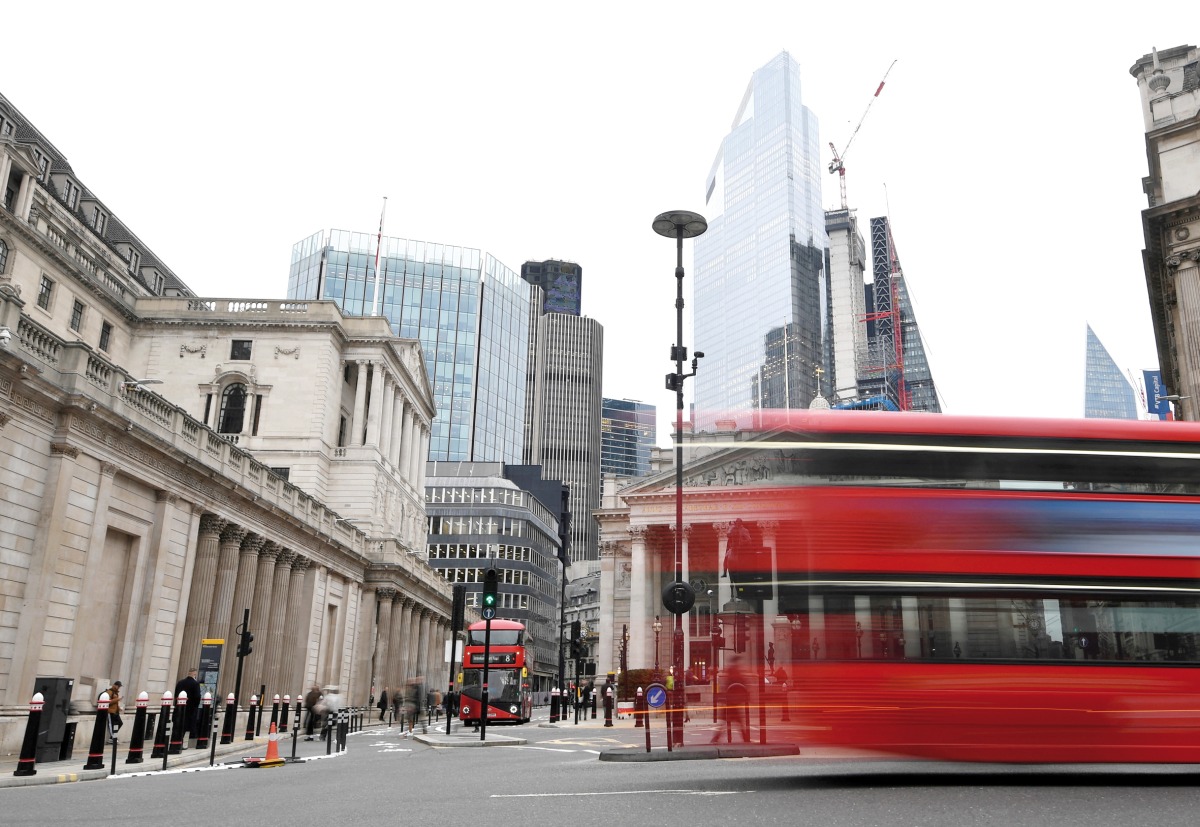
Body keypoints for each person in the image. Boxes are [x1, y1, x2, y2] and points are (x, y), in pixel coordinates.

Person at [173, 667, 202, 743]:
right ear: (195, 674)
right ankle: (183, 741)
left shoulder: (180, 682)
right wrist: (195, 706)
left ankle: (176, 740)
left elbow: (176, 695)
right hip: (190, 709)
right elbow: (197, 697)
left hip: (179, 708)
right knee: (187, 726)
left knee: (178, 725)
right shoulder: (195, 684)